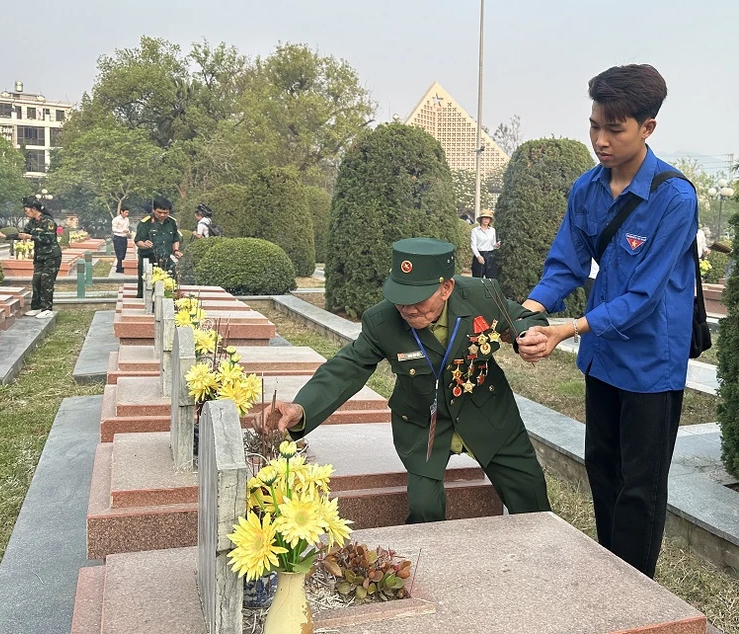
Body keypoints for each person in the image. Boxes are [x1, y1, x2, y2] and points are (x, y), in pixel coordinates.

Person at [516, 64, 698, 578]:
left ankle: (638, 595)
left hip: (650, 364)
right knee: (603, 470)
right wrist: (525, 313)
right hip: (604, 359)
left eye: (613, 129)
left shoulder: (674, 198)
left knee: (640, 487)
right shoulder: (587, 189)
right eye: (594, 125)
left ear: (647, 127)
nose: (600, 140)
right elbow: (565, 266)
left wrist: (567, 330)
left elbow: (643, 297)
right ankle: (607, 580)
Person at [260, 237, 551, 522]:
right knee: (424, 508)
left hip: (488, 413)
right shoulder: (382, 321)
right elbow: (346, 367)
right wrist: (301, 408)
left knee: (531, 497)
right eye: (399, 298)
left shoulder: (483, 295)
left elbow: (524, 319)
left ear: (446, 288)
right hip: (423, 424)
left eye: (417, 300)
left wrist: (528, 336)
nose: (407, 309)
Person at [0, 197, 63, 318]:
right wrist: (5, 236)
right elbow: (22, 234)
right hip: (39, 256)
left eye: (27, 211)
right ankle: (36, 307)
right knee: (36, 281)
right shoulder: (32, 223)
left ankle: (47, 308)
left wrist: (31, 237)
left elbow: (49, 239)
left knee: (46, 281)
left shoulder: (48, 222)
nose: (26, 213)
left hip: (51, 256)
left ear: (34, 209)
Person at [133, 196, 182, 298]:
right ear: (153, 210)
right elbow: (138, 241)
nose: (162, 215)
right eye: (159, 212)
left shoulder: (171, 222)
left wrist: (176, 250)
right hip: (148, 260)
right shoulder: (145, 223)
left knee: (171, 285)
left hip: (165, 259)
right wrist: (144, 244)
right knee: (147, 290)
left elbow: (175, 238)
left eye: (165, 213)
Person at [470, 210, 500, 278]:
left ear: (490, 220)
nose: (486, 220)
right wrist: (478, 256)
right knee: (477, 279)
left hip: (490, 256)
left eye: (488, 218)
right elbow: (473, 245)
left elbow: (493, 244)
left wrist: (497, 246)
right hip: (479, 255)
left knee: (491, 279)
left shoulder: (493, 230)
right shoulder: (475, 231)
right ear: (481, 219)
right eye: (484, 218)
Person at [111, 206, 131, 273]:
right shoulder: (116, 219)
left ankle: (119, 266)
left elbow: (127, 228)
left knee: (123, 253)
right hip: (118, 237)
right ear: (121, 212)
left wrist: (128, 233)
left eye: (128, 212)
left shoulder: (127, 219)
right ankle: (119, 268)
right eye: (125, 212)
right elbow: (114, 229)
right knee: (119, 253)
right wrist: (122, 231)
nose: (127, 214)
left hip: (124, 237)